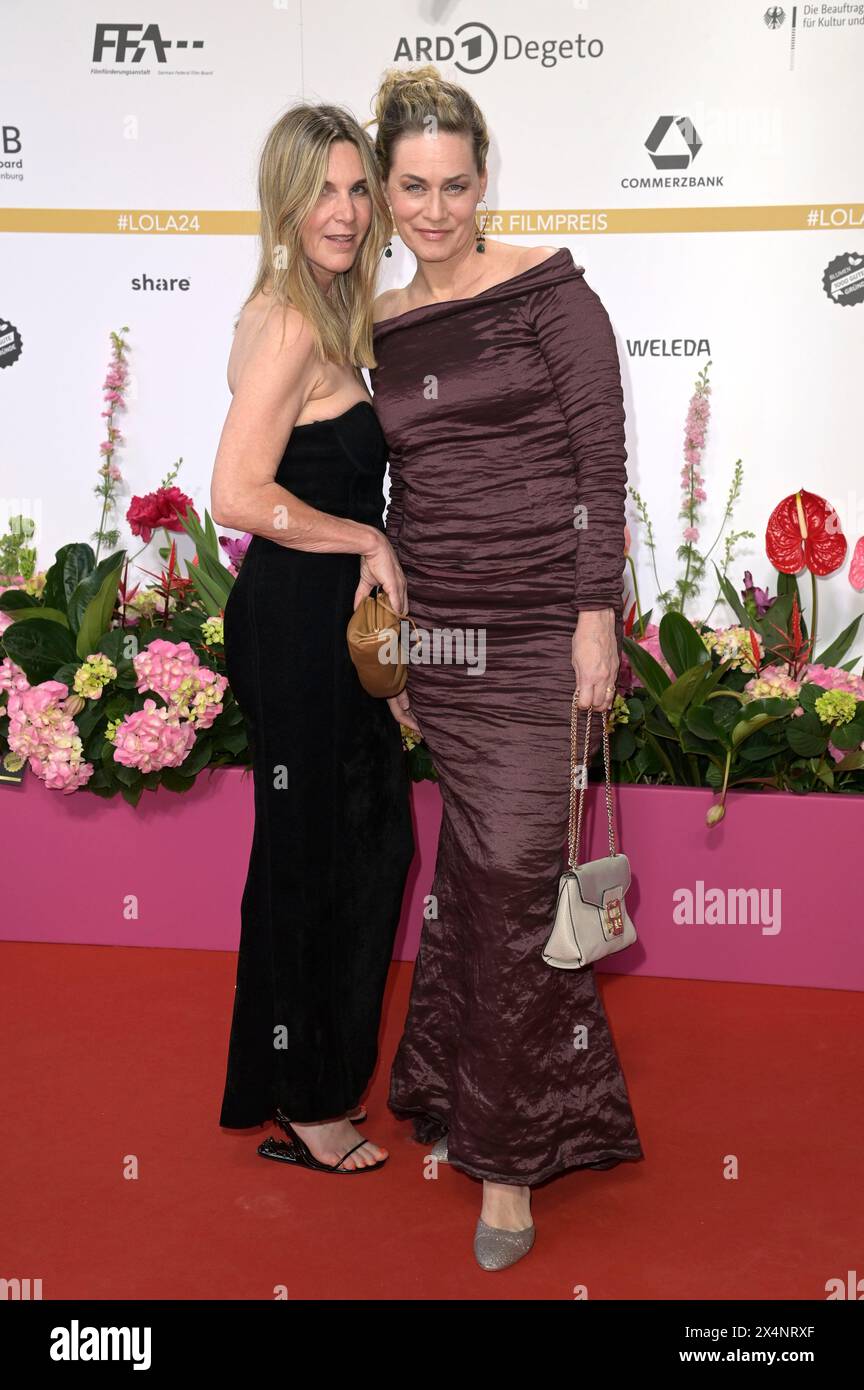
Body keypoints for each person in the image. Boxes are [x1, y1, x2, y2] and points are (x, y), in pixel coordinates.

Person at [366, 67, 644, 1265]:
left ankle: (510, 1158)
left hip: (541, 625)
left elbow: (601, 458)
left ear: (487, 182)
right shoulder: (370, 322)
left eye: (456, 185)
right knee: (476, 876)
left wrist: (595, 617)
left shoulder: (550, 292)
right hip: (442, 634)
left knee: (521, 873)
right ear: (382, 188)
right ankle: (451, 1079)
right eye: (413, 186)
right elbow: (386, 479)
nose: (435, 209)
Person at [212, 103, 415, 1174]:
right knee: (334, 853)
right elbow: (235, 493)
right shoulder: (292, 322)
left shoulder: (307, 308)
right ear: (285, 203)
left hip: (303, 620)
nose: (344, 211)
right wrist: (364, 535)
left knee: (341, 846)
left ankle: (291, 1079)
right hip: (297, 620)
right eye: (322, 191)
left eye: (356, 188)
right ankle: (313, 1102)